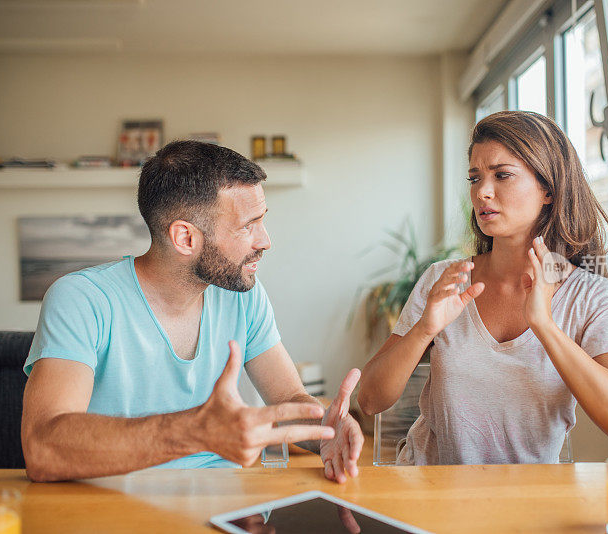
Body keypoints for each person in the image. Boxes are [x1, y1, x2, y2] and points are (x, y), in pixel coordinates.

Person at [21, 141, 363, 482]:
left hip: (225, 507)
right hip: (111, 509)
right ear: (185, 238)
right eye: (248, 225)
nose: (265, 241)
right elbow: (43, 447)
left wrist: (326, 427)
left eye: (263, 221)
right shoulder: (81, 299)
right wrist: (197, 431)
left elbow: (288, 399)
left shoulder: (243, 296)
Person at [358, 111, 608, 465]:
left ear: (547, 188)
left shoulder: (591, 297)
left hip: (526, 503)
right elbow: (370, 400)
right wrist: (424, 330)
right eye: (474, 177)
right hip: (432, 493)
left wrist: (544, 325)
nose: (482, 192)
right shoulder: (445, 280)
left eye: (502, 175)